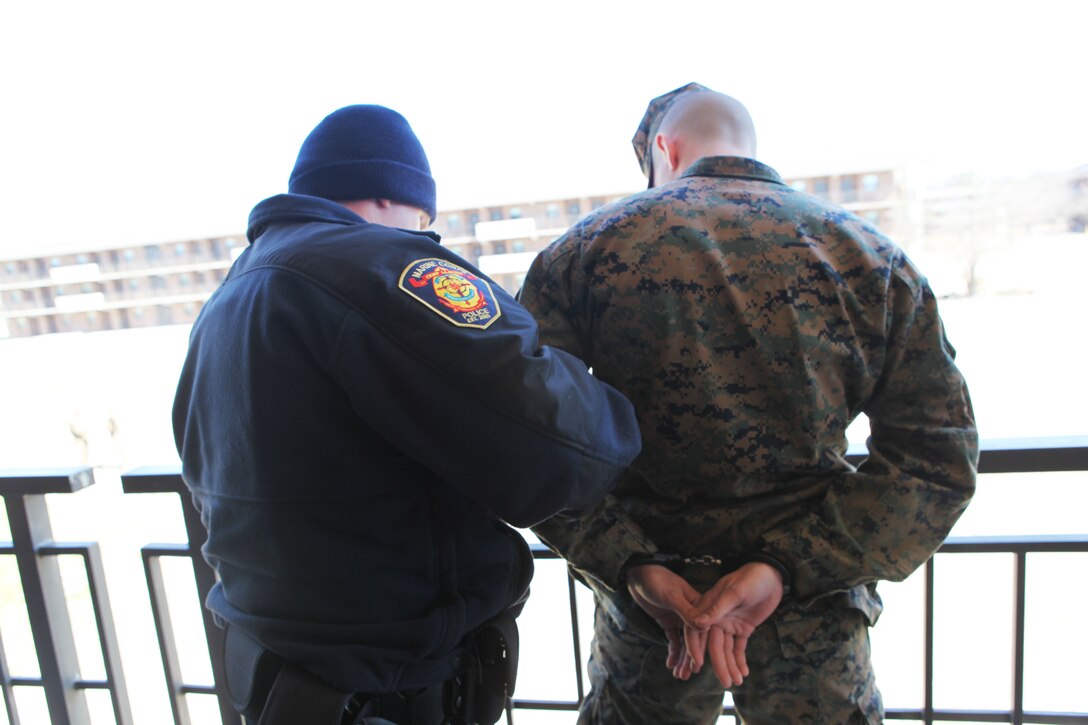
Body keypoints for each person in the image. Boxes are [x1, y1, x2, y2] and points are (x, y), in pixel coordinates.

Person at [518, 83, 978, 724]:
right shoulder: (869, 258)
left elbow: (529, 443)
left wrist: (629, 562)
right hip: (813, 626)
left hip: (655, 622)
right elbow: (937, 460)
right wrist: (793, 565)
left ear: (663, 150)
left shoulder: (584, 253)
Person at [171, 104, 642, 724]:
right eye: (425, 222)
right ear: (396, 199)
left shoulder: (230, 298)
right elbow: (566, 448)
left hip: (282, 683)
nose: (427, 237)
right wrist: (609, 397)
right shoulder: (376, 265)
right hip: (387, 692)